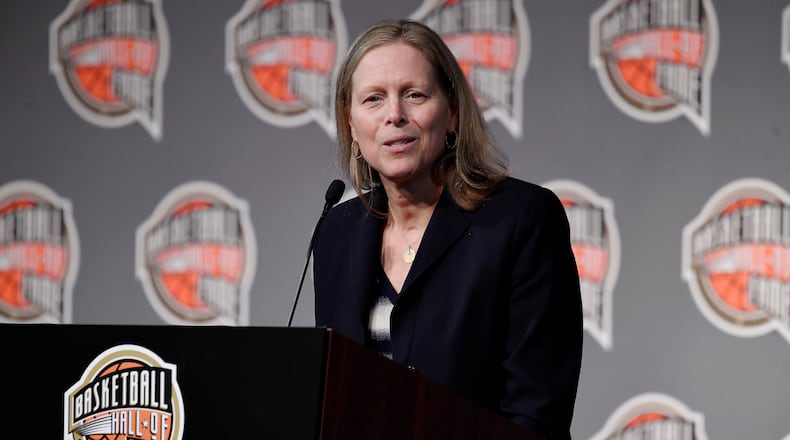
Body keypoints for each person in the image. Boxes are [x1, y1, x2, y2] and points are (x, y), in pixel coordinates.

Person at [313, 19, 582, 439]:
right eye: (373, 99)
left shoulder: (521, 219)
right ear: (350, 123)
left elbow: (537, 411)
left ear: (452, 112)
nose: (394, 115)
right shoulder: (336, 234)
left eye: (415, 95)